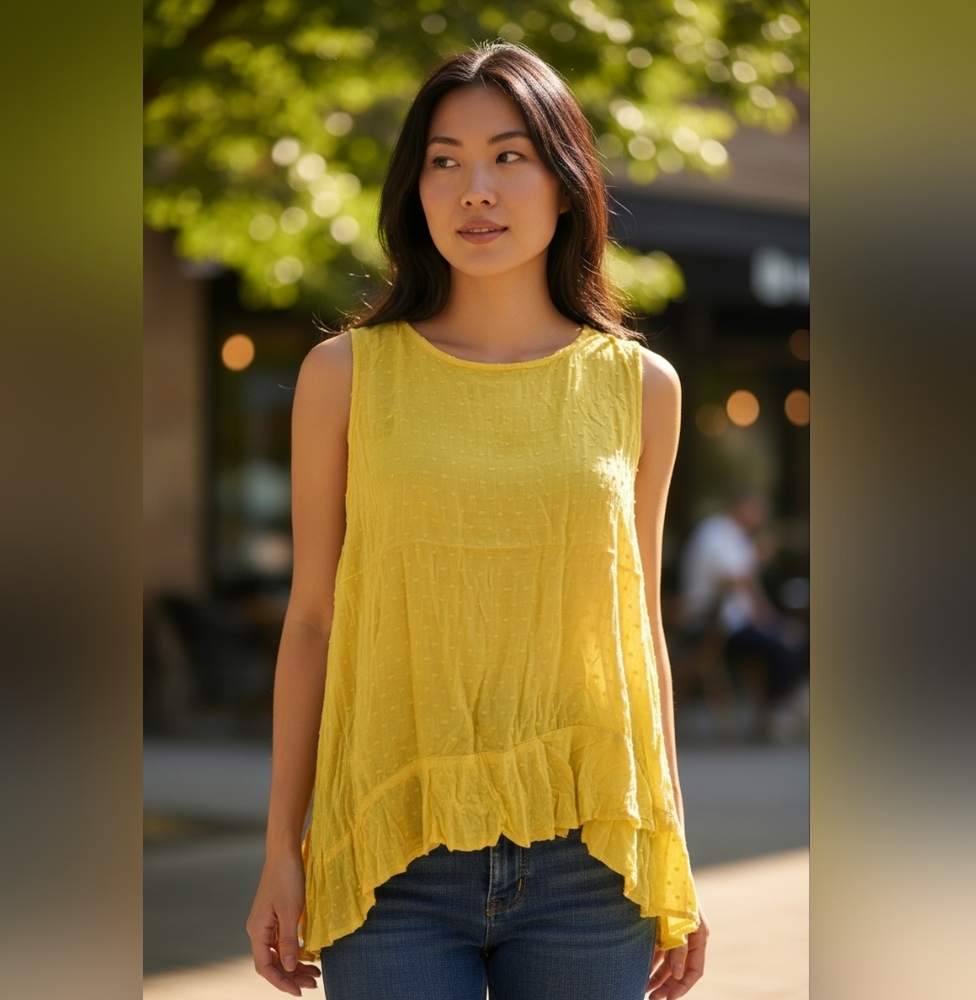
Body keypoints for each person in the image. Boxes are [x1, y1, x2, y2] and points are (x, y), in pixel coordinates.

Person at [246, 43, 707, 1000]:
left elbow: (639, 634)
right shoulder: (346, 376)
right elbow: (313, 622)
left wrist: (672, 851)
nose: (474, 190)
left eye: (509, 155)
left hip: (590, 862)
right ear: (415, 190)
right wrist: (281, 850)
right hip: (391, 854)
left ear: (569, 183)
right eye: (444, 160)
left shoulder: (639, 386)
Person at [678, 490, 806, 734]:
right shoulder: (717, 533)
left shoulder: (733, 536)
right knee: (784, 645)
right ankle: (776, 711)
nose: (761, 517)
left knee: (794, 640)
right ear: (743, 507)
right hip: (710, 627)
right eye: (758, 509)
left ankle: (776, 707)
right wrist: (769, 621)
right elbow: (739, 584)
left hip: (727, 624)